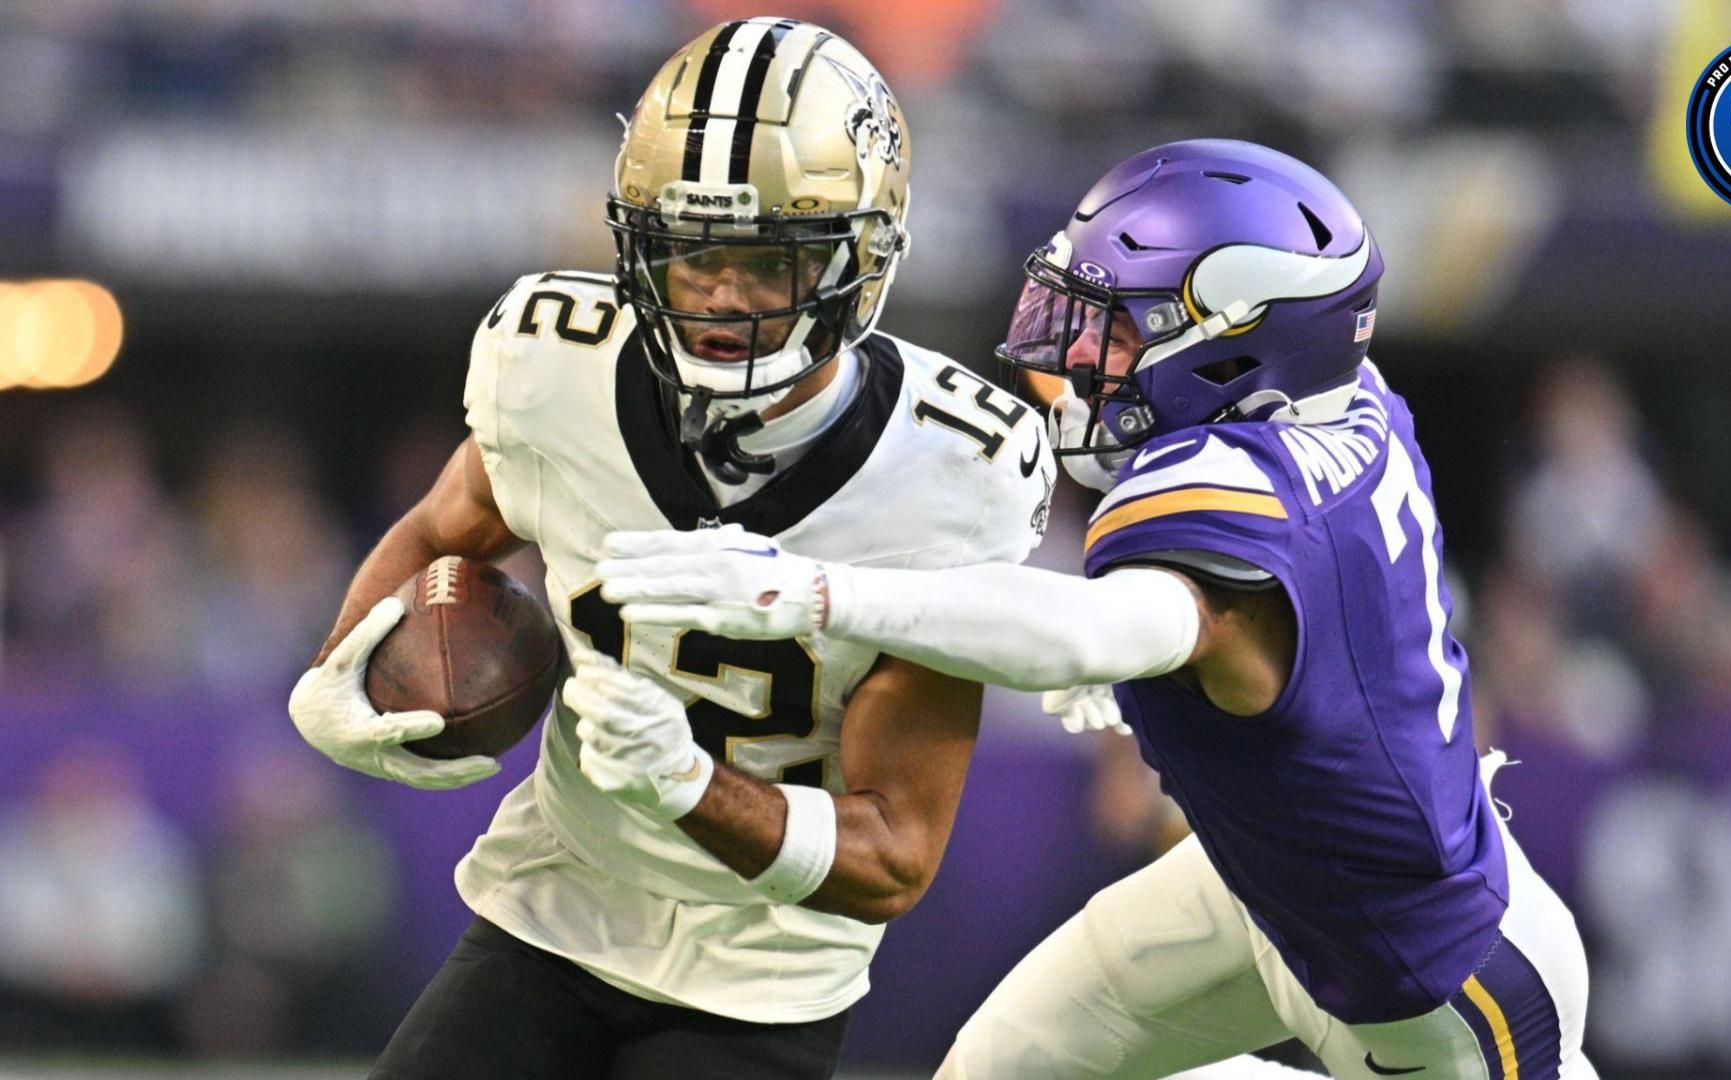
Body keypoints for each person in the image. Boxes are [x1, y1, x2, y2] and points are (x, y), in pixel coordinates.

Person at [597, 140, 1598, 1079]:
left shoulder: (1234, 498)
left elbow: (1092, 634)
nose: (1069, 358)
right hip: (1278, 890)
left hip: (1430, 993)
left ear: (1233, 343)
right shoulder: (1343, 394)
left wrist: (816, 592)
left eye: (1114, 328)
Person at [285, 19, 1053, 1078]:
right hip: (556, 900)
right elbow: (442, 528)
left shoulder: (947, 476)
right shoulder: (550, 368)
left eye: (768, 261)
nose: (725, 297)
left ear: (860, 258)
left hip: (765, 970)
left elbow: (893, 856)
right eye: (694, 255)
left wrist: (686, 784)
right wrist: (347, 662)